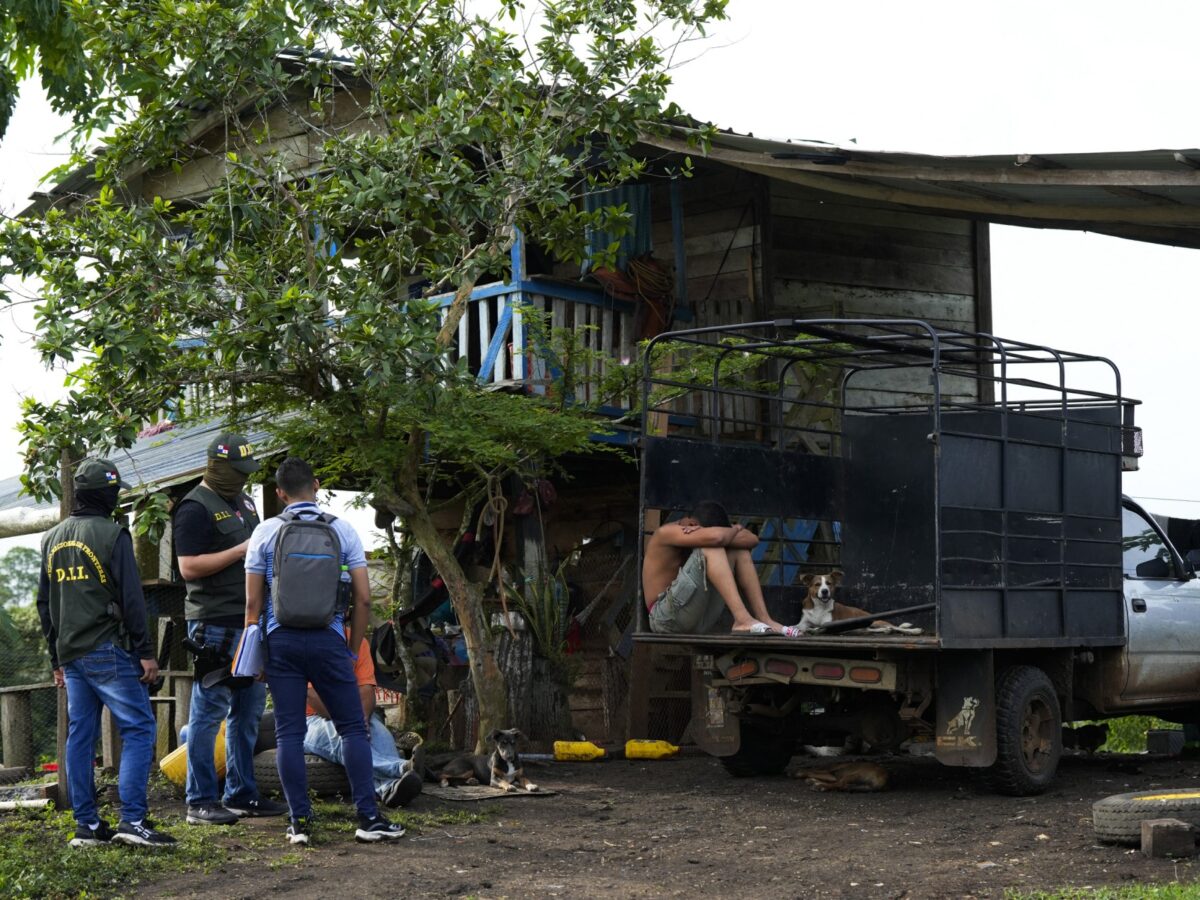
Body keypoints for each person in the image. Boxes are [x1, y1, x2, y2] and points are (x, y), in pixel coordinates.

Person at [245, 456, 406, 845]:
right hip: (329, 639)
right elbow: (364, 600)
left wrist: (257, 656)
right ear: (316, 485)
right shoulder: (343, 530)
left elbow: (252, 607)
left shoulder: (265, 533)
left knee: (288, 733)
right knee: (353, 728)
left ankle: (299, 822)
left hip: (280, 639)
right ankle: (368, 817)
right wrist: (350, 650)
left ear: (280, 493)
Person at [37, 458, 176, 848]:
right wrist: (146, 653)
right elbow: (132, 600)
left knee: (80, 736)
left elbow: (44, 605)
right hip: (107, 650)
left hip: (71, 654)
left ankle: (88, 827)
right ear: (108, 494)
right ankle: (132, 820)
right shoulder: (113, 535)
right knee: (139, 728)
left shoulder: (51, 538)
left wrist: (56, 660)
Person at [174, 432, 286, 825]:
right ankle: (200, 799)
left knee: (249, 710)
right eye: (236, 472)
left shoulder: (246, 502)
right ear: (217, 467)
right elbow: (188, 567)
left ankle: (241, 793)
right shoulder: (193, 507)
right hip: (213, 623)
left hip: (251, 622)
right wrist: (242, 550)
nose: (242, 479)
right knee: (208, 714)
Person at [303, 628, 423, 809]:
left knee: (380, 731)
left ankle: (389, 789)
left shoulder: (356, 640)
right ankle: (401, 768)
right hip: (310, 719)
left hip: (354, 713)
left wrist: (363, 720)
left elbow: (367, 691)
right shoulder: (304, 641)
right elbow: (312, 696)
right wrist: (349, 723)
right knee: (341, 735)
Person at [642, 500, 796, 636]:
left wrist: (728, 532)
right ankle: (742, 619)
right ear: (692, 525)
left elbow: (752, 539)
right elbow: (717, 538)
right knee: (712, 548)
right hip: (664, 619)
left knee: (738, 550)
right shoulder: (667, 532)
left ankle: (765, 618)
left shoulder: (697, 530)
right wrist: (735, 529)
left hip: (697, 619)